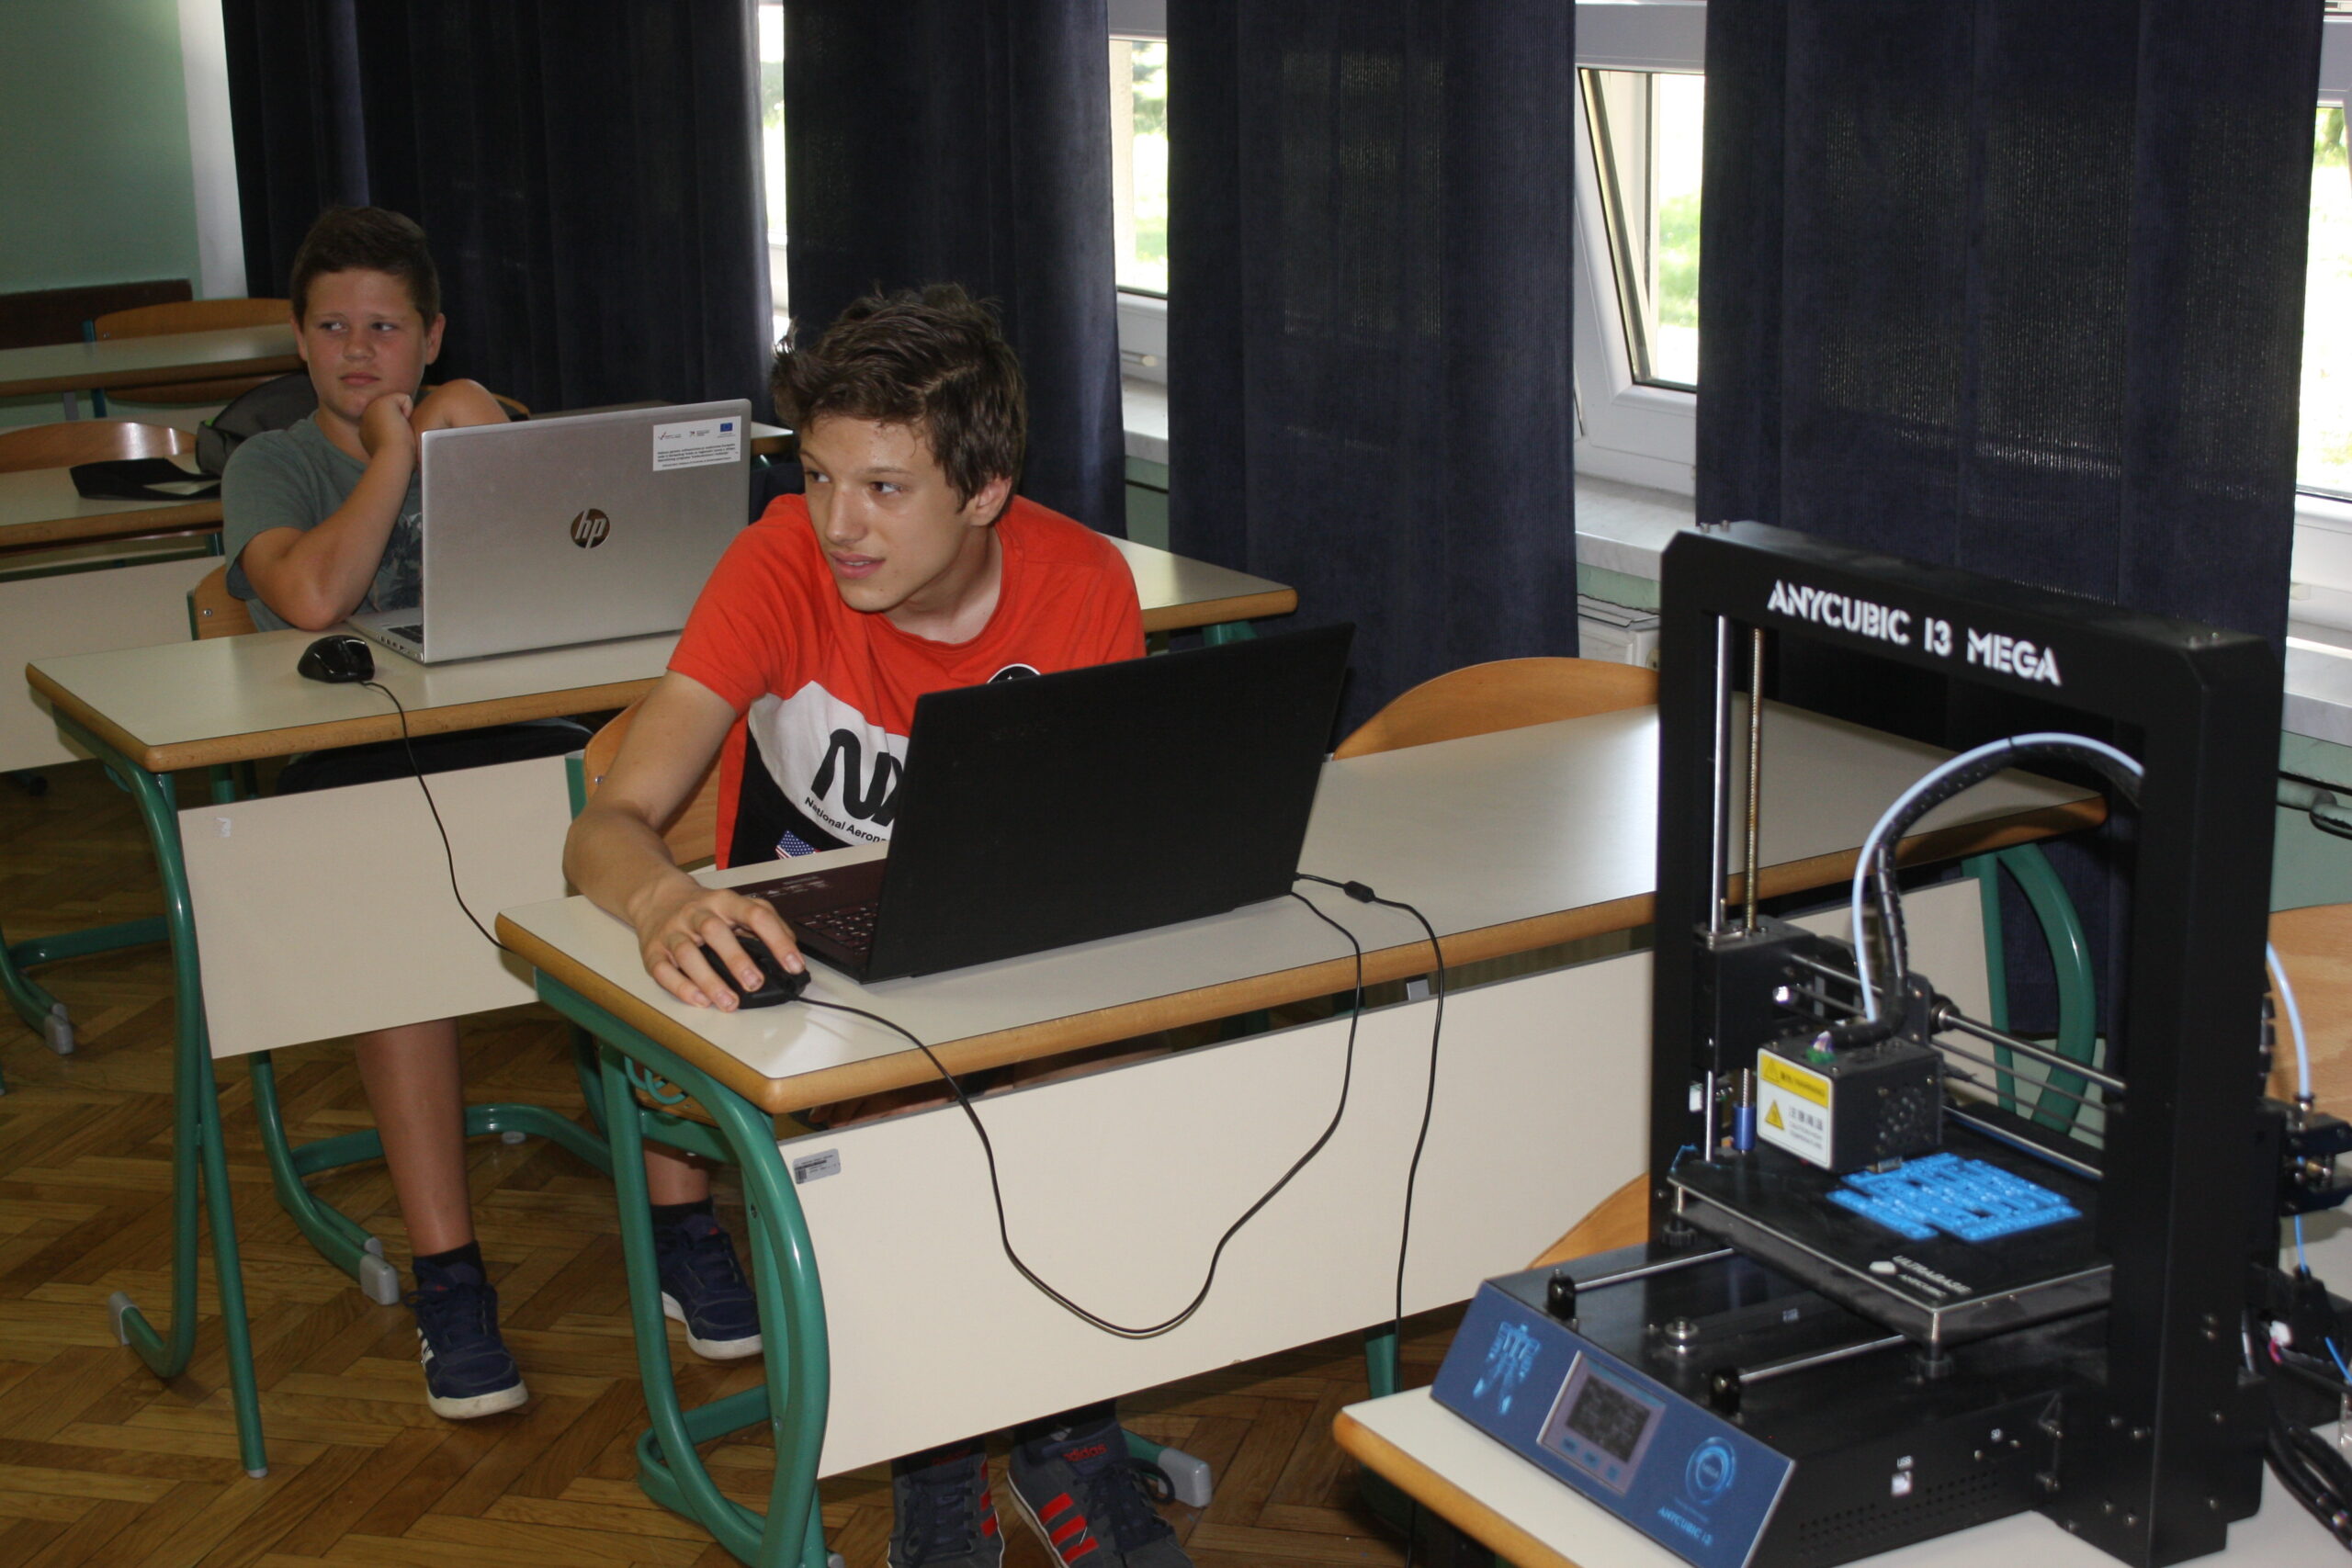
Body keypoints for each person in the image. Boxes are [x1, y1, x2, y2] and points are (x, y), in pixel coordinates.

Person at [565, 285, 1192, 1568]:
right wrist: (664, 895)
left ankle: (1058, 1426)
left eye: (885, 489)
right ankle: (944, 1460)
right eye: (817, 476)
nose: (838, 523)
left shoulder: (1082, 584)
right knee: (914, 1136)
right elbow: (607, 822)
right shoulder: (777, 565)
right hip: (811, 984)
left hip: (997, 965)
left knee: (1128, 1094)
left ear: (986, 490)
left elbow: (1101, 850)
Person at [221, 206, 762, 1424]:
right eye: (332, 328)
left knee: (657, 869)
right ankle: (451, 1277)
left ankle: (683, 1231)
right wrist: (396, 454)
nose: (359, 352)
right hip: (349, 767)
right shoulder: (274, 462)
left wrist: (493, 438)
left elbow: (598, 563)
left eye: (386, 329)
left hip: (521, 733)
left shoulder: (488, 430)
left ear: (433, 338)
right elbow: (309, 597)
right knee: (397, 935)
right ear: (298, 340)